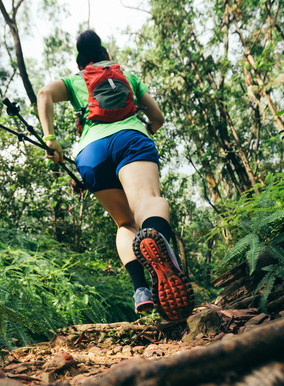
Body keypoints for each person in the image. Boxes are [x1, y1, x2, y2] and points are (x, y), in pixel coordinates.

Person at [36, 30, 194, 321]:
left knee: (124, 223)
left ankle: (141, 291)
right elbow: (157, 118)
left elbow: (44, 93)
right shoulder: (128, 76)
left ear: (82, 62)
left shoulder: (74, 80)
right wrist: (144, 130)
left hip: (90, 154)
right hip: (131, 139)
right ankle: (161, 249)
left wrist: (50, 139)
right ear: (107, 56)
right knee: (147, 201)